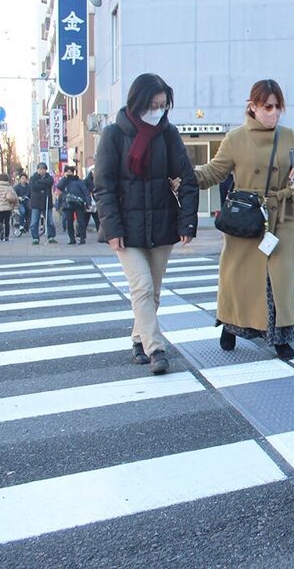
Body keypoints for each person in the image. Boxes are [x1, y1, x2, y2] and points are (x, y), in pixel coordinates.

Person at [195, 80, 294, 360]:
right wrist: (184, 178)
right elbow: (213, 173)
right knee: (239, 278)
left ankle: (281, 336)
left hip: (282, 216)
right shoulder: (235, 138)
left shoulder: (289, 136)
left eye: (278, 107)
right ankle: (231, 326)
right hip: (246, 217)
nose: (274, 113)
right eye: (268, 107)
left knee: (280, 279)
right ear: (253, 106)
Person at [94, 73, 199, 375]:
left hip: (162, 225)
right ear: (137, 102)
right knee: (140, 286)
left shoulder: (168, 134)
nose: (158, 111)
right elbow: (104, 186)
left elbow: (188, 180)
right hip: (126, 229)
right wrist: (112, 229)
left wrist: (187, 223)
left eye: (163, 105)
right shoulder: (114, 135)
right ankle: (156, 349)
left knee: (152, 292)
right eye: (153, 105)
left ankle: (138, 340)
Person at [56, 165, 89, 244]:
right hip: (67, 204)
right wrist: (65, 178)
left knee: (81, 221)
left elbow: (85, 191)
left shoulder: (78, 181)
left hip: (78, 203)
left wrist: (88, 202)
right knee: (69, 222)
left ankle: (82, 238)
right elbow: (59, 187)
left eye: (70, 172)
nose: (69, 173)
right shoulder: (64, 181)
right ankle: (72, 239)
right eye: (67, 172)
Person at [29, 162, 57, 245]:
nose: (41, 171)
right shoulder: (33, 178)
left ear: (46, 170)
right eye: (40, 169)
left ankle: (51, 236)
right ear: (37, 169)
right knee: (34, 222)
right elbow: (34, 187)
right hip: (36, 202)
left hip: (47, 202)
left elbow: (50, 182)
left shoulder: (49, 178)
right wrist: (43, 184)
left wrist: (40, 183)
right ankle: (35, 238)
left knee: (50, 221)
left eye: (43, 169)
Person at [0, 173, 18, 242]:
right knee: (7, 222)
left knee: (0, 221)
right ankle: (6, 236)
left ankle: (1, 230)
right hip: (7, 208)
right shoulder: (9, 187)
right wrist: (16, 205)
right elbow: (15, 197)